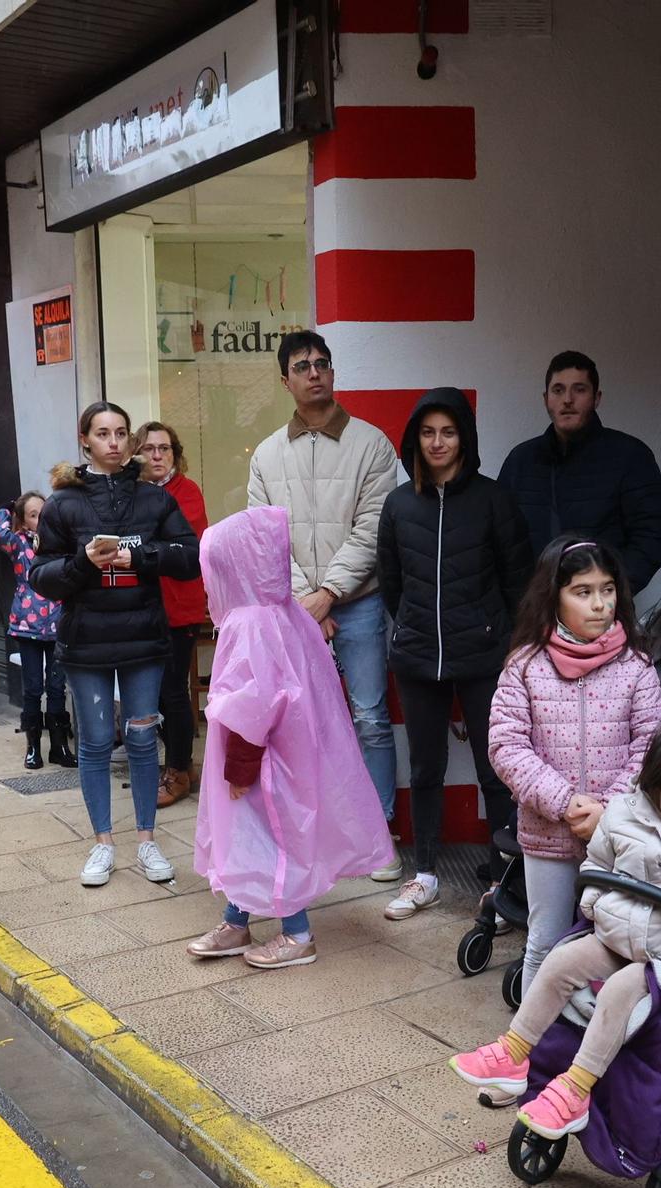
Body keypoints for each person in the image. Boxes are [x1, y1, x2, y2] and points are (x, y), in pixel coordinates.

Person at [453, 724, 661, 1134]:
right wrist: (594, 904)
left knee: (622, 990)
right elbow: (597, 865)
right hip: (617, 934)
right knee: (561, 959)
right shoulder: (622, 814)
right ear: (656, 787)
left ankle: (576, 1090)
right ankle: (514, 1053)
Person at [185, 506, 395, 968]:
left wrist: (238, 769)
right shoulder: (284, 614)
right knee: (248, 837)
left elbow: (253, 703)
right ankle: (236, 921)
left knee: (272, 839)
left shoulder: (248, 624)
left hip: (262, 760)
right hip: (284, 754)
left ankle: (297, 935)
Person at [245, 331, 405, 879]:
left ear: (333, 373)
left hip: (357, 603)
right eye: (302, 366)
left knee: (368, 718)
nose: (314, 373)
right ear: (284, 379)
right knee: (301, 725)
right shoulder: (267, 454)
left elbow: (373, 529)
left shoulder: (372, 444)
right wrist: (303, 599)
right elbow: (265, 535)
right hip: (293, 608)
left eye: (323, 364)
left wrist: (330, 592)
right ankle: (317, 838)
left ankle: (381, 835)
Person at [31, 402, 202, 889]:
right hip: (86, 640)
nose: (114, 442)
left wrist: (141, 555)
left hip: (144, 637)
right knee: (95, 741)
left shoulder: (153, 498)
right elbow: (41, 576)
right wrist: (83, 562)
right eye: (103, 433)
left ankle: (147, 839)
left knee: (145, 737)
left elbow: (190, 555)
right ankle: (103, 844)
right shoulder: (63, 502)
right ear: (84, 439)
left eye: (121, 433)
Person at [376, 388, 532, 920]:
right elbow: (392, 586)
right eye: (427, 432)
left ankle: (501, 879)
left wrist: (507, 644)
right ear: (414, 440)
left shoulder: (494, 500)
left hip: (485, 656)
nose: (437, 442)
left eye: (448, 431)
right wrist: (415, 628)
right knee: (424, 769)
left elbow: (518, 583)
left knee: (498, 769)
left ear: (464, 438)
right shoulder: (398, 505)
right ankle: (424, 875)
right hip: (418, 657)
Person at [489, 536, 661, 992]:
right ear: (554, 596)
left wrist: (609, 809)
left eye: (607, 589)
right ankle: (528, 1050)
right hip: (547, 832)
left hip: (621, 835)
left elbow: (653, 743)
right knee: (545, 943)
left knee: (615, 944)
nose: (600, 605)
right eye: (583, 591)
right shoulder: (525, 666)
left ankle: (594, 1047)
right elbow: (506, 746)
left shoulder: (637, 666)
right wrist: (566, 803)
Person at [496, 351, 661, 595]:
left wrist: (605, 592)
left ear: (596, 397)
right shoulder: (521, 461)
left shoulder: (630, 456)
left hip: (601, 617)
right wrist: (522, 599)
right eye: (558, 390)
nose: (567, 399)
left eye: (579, 389)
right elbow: (500, 541)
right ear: (545, 399)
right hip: (533, 617)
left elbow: (654, 537)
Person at [135, 422, 210, 807]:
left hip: (178, 607)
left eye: (164, 448)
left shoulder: (187, 492)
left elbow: (182, 549)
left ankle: (179, 770)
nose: (158, 456)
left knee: (171, 693)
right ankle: (180, 764)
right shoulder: (134, 493)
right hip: (141, 608)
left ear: (175, 454)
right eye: (149, 449)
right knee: (152, 695)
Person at [0, 490, 69, 770]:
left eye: (43, 513)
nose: (41, 519)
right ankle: (33, 746)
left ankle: (60, 746)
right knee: (33, 687)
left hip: (59, 623)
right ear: (23, 523)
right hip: (28, 626)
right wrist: (8, 506)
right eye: (33, 515)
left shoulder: (61, 542)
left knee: (57, 687)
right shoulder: (18, 543)